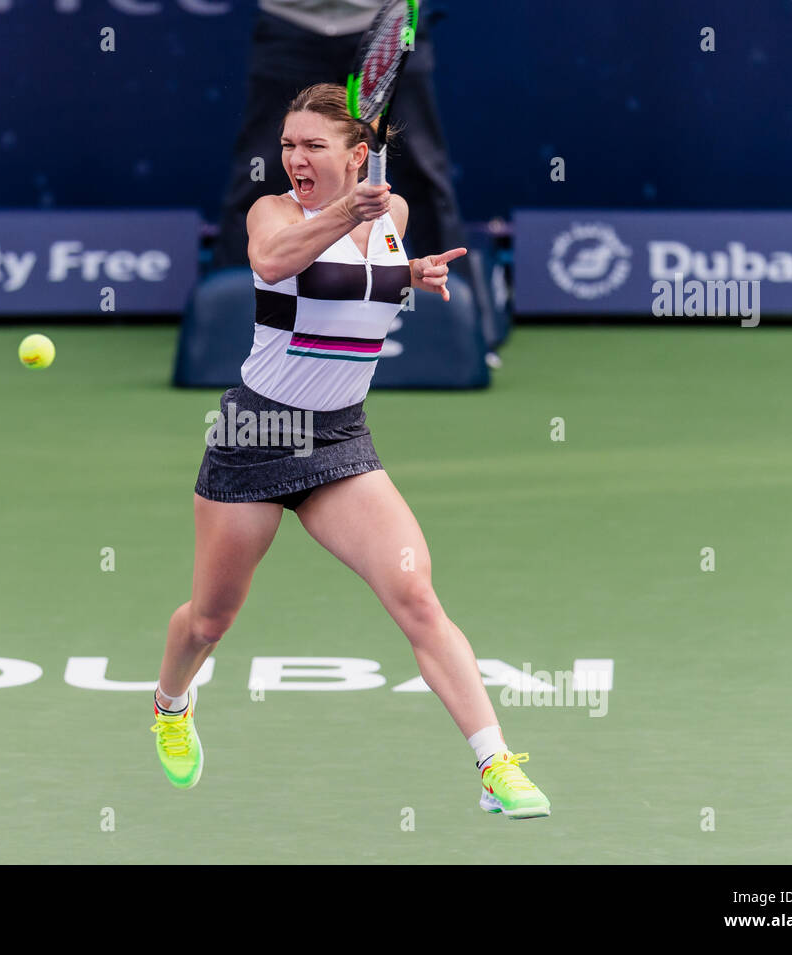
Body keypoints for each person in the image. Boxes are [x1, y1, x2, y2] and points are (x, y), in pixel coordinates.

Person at [150, 83, 550, 820]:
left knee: (418, 599)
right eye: (288, 146)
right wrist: (344, 210)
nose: (294, 158)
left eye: (313, 145)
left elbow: (366, 277)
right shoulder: (273, 211)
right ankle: (172, 703)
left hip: (340, 438)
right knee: (210, 620)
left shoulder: (391, 214)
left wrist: (412, 271)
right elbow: (272, 265)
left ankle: (495, 764)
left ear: (357, 154)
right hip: (257, 434)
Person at [212, 2, 477, 295]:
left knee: (424, 172)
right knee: (257, 171)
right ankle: (227, 310)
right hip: (289, 22)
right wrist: (350, 211)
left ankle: (456, 317)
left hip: (390, 22)